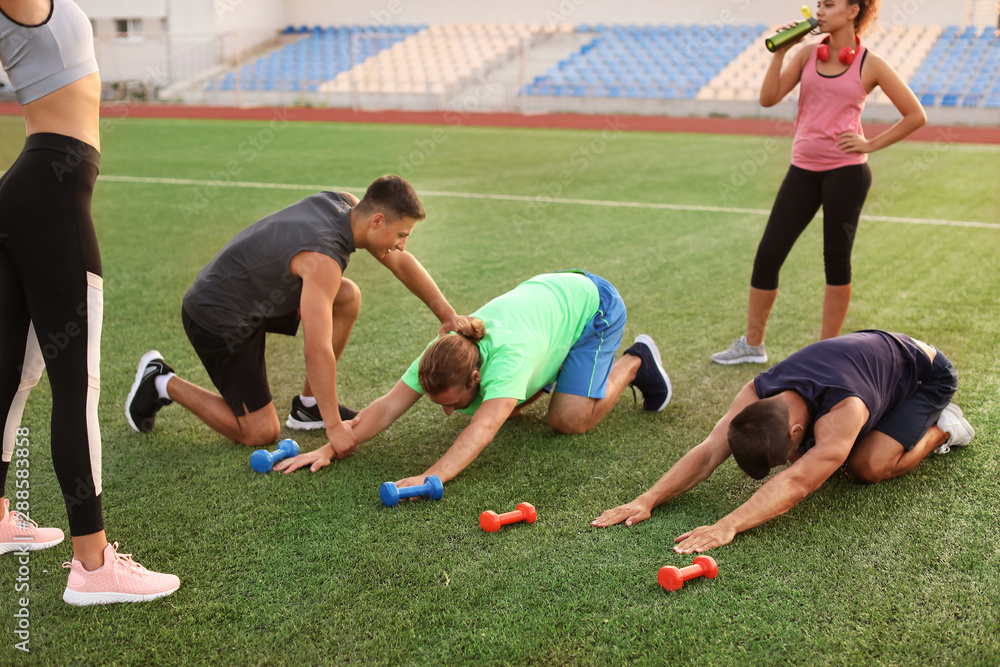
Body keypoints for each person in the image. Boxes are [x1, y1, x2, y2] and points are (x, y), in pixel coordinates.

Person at [0, 0, 179, 604]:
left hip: (31, 192)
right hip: (50, 194)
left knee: (13, 377)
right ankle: (93, 565)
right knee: (74, 386)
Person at [126, 175, 457, 460]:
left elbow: (401, 263)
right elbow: (316, 350)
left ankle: (308, 406)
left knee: (346, 296)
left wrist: (448, 316)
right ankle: (160, 382)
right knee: (261, 432)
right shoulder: (323, 257)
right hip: (219, 315)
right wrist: (334, 427)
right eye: (401, 235)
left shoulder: (345, 204)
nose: (401, 245)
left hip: (256, 297)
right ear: (377, 221)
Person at [276, 270, 673, 487]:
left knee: (568, 421)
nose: (448, 413)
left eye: (452, 401)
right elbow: (388, 405)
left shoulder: (509, 359)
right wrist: (333, 444)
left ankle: (638, 361)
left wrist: (433, 475)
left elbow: (482, 431)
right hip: (548, 305)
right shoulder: (443, 354)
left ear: (477, 375)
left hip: (594, 307)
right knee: (507, 405)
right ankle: (557, 371)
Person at [595, 330, 975, 553]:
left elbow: (797, 484)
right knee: (826, 455)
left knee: (867, 465)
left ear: (797, 432)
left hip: (925, 374)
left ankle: (944, 427)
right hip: (869, 363)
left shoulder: (845, 410)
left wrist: (729, 524)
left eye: (791, 450)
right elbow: (711, 450)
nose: (789, 460)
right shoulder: (755, 391)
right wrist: (647, 499)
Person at [712, 0, 927, 364]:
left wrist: (870, 143)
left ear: (853, 10)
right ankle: (753, 344)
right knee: (768, 255)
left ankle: (827, 353)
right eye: (818, 5)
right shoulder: (807, 54)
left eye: (829, 4)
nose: (820, 11)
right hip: (803, 169)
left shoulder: (869, 63)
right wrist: (779, 54)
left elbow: (916, 115)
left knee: (836, 260)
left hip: (847, 172)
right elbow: (768, 99)